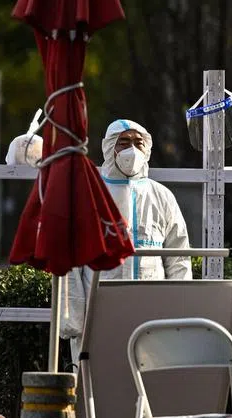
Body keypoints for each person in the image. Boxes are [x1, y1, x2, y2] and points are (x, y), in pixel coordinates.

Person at [62, 119, 191, 336]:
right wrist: (73, 321)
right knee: (100, 368)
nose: (132, 149)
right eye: (123, 142)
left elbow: (179, 258)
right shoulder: (88, 195)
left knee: (148, 368)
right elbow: (70, 264)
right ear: (109, 146)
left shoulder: (161, 196)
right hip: (99, 314)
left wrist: (179, 314)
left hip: (153, 315)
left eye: (138, 142)